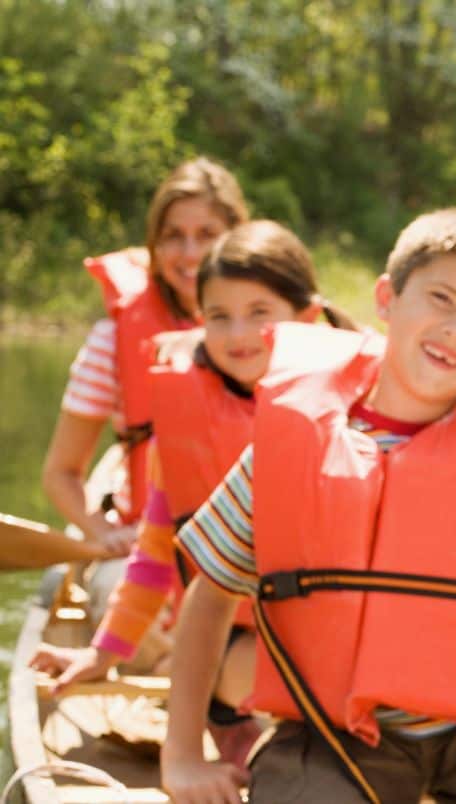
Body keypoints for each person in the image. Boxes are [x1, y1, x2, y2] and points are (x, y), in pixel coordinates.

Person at [161, 208, 456, 804]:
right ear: (387, 298)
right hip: (331, 730)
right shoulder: (288, 446)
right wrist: (182, 757)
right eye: (441, 299)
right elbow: (211, 595)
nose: (455, 329)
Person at [28, 220, 359, 768]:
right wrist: (103, 651)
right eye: (219, 316)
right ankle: (229, 720)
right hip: (230, 646)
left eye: (260, 313)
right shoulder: (185, 429)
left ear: (306, 316)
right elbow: (157, 554)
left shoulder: (359, 415)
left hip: (334, 643)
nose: (237, 335)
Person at [42, 157, 249, 557]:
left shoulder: (267, 337)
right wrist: (100, 531)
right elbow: (60, 473)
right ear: (154, 243)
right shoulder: (113, 341)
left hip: (244, 550)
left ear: (235, 238)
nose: (190, 253)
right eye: (174, 235)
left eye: (207, 234)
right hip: (148, 546)